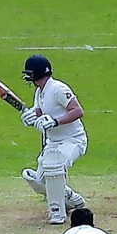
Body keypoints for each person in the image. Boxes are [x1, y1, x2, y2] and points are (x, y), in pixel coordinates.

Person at [19, 55, 88, 224]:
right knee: (37, 180)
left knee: (54, 166)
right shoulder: (39, 92)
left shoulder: (58, 88)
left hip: (73, 139)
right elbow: (40, 111)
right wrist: (31, 116)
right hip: (54, 142)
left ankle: (57, 213)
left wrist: (55, 121)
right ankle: (73, 199)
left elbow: (77, 111)